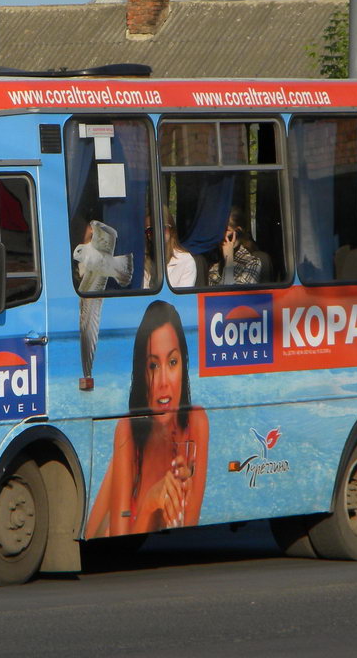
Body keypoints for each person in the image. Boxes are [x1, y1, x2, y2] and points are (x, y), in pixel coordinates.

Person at [85, 300, 209, 538]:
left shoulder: (197, 422)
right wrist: (150, 504)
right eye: (153, 365)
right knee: (100, 530)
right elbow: (119, 542)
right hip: (112, 533)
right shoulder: (128, 430)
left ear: (184, 365)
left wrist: (185, 490)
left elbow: (189, 523)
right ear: (142, 372)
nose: (163, 382)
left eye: (172, 362)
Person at [143, 205, 197, 288]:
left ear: (171, 229)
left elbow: (182, 298)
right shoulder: (143, 260)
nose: (157, 234)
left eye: (162, 228)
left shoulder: (185, 261)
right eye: (150, 230)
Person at [209, 207, 262, 285]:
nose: (221, 235)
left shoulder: (252, 263)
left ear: (238, 231)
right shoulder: (214, 258)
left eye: (226, 230)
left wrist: (229, 260)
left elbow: (232, 294)